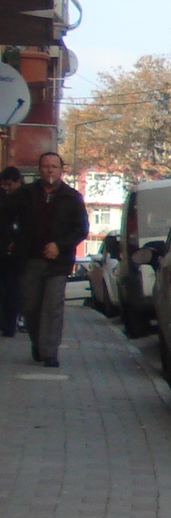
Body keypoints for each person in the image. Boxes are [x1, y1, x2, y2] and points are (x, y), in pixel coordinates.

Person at [17, 152, 89, 367]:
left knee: (53, 305)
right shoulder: (25, 194)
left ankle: (50, 352)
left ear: (61, 170)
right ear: (39, 169)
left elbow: (81, 229)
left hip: (59, 261)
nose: (50, 170)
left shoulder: (72, 197)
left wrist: (60, 245)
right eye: (46, 166)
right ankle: (37, 343)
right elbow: (6, 215)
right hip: (31, 259)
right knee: (30, 306)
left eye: (54, 166)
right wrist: (11, 240)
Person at [0, 165, 23, 338]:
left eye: (9, 184)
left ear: (17, 182)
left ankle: (9, 325)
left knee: (13, 290)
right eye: (4, 185)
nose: (6, 188)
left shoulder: (24, 200)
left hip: (16, 254)